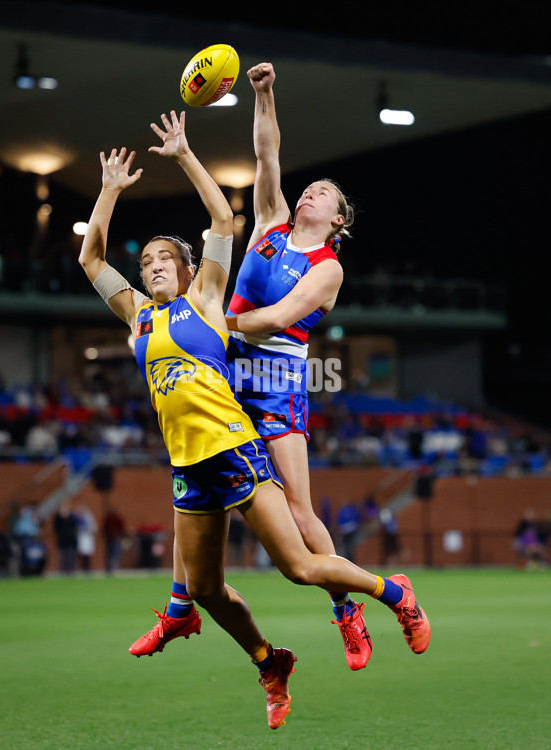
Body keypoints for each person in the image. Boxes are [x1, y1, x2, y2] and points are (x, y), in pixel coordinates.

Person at [80, 110, 430, 730]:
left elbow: (242, 262)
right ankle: (208, 623)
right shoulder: (145, 309)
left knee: (298, 529)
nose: (156, 266)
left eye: (167, 259)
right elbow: (93, 256)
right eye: (149, 261)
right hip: (209, 415)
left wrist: (186, 155)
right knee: (203, 565)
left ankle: (358, 604)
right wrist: (263, 98)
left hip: (270, 385)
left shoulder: (293, 274)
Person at [142, 62, 374, 672]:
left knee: (299, 511)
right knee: (192, 485)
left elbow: (277, 318)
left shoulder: (328, 267)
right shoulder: (270, 222)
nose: (309, 194)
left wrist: (221, 323)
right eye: (310, 189)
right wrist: (264, 93)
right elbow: (266, 152)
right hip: (227, 376)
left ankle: (346, 610)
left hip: (275, 382)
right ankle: (176, 604)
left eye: (322, 194)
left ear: (338, 218)